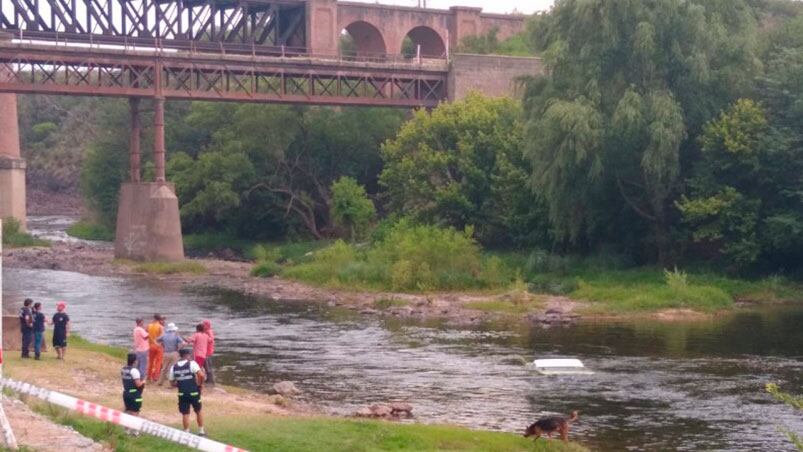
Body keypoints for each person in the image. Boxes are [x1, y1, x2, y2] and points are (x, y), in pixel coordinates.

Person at [169, 348, 206, 436]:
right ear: (187, 355)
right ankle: (201, 431)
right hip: (194, 392)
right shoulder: (192, 364)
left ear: (180, 356)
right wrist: (200, 384)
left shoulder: (174, 367)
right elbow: (201, 375)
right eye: (189, 354)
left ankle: (186, 431)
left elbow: (171, 382)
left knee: (185, 413)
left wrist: (179, 385)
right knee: (198, 410)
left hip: (182, 393)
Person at [147, 314, 165, 382]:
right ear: (159, 319)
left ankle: (149, 376)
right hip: (159, 346)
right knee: (158, 362)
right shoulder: (160, 327)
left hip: (151, 345)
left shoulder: (149, 325)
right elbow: (162, 337)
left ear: (154, 318)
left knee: (151, 361)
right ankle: (155, 376)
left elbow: (146, 334)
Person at [202, 320, 215, 386]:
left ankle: (211, 381)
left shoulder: (209, 332)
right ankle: (208, 379)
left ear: (207, 325)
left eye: (203, 324)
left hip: (208, 352)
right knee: (206, 366)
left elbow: (211, 339)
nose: (202, 325)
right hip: (206, 351)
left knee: (208, 367)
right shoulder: (207, 331)